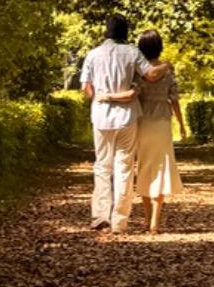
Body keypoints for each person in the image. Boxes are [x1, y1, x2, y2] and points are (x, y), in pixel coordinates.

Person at [79, 12, 169, 233]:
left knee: (102, 166)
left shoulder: (93, 54)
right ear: (126, 32)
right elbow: (152, 75)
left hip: (100, 116)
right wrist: (166, 65)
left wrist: (99, 98)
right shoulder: (132, 52)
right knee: (124, 167)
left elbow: (85, 88)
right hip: (126, 117)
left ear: (106, 31)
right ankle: (120, 221)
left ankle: (100, 215)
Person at [133, 29, 185, 233]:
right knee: (161, 168)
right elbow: (175, 100)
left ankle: (146, 218)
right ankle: (155, 220)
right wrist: (181, 124)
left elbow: (134, 95)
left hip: (142, 122)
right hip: (162, 123)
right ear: (160, 46)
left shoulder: (139, 71)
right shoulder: (167, 71)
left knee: (144, 167)